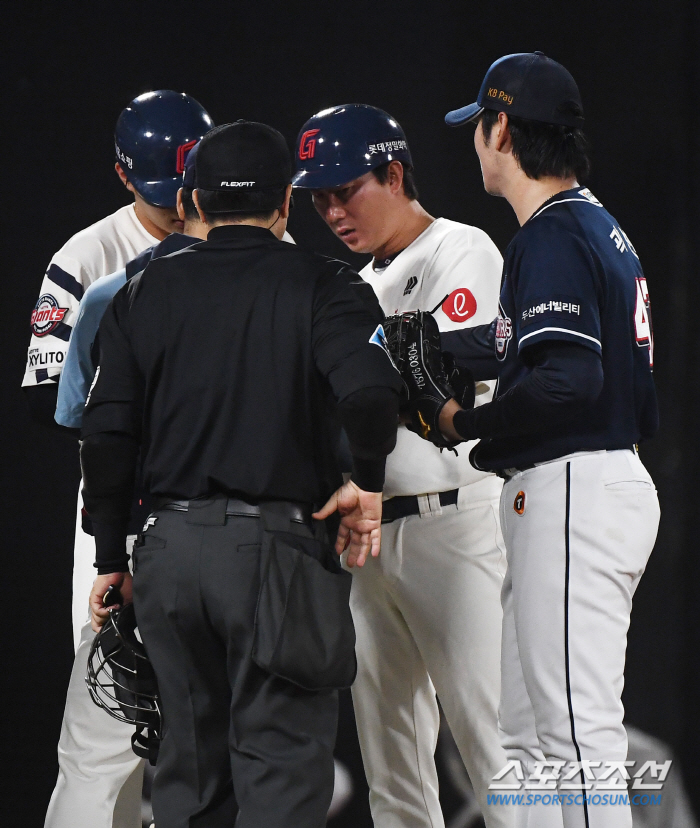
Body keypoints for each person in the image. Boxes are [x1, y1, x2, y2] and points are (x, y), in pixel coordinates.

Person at [81, 120, 404, 828]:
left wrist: (110, 557)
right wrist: (368, 483)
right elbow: (373, 397)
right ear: (285, 201)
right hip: (274, 559)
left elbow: (105, 437)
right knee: (280, 785)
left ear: (194, 198)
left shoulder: (141, 292)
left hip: (165, 555)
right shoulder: (325, 283)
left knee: (188, 788)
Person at [426, 52, 659, 828]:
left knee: (572, 739)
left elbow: (569, 380)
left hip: (574, 487)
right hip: (582, 483)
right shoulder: (597, 227)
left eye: (479, 127)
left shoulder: (553, 232)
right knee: (524, 744)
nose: (476, 143)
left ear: (501, 128)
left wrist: (467, 423)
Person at [293, 103, 513, 828]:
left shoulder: (463, 247)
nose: (330, 210)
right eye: (318, 197)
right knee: (392, 771)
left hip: (455, 524)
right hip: (372, 532)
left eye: (344, 189)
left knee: (494, 749)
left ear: (393, 172)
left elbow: (440, 382)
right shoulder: (359, 283)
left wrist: (359, 379)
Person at [33, 90, 214, 828]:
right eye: (160, 192)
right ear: (121, 175)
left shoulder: (245, 240)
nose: (176, 208)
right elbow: (51, 397)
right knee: (111, 716)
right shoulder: (87, 257)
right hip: (125, 504)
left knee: (180, 737)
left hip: (197, 513)